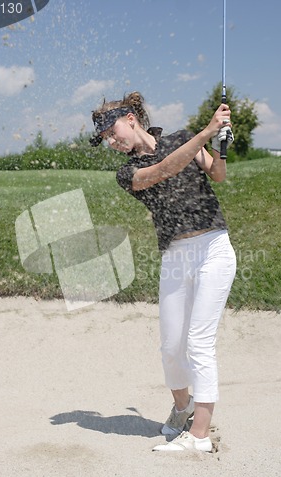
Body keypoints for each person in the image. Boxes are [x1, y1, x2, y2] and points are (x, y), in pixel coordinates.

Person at [90, 92, 236, 452]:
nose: (111, 142)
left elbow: (217, 174)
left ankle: (199, 436)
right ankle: (182, 408)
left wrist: (221, 145)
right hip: (175, 255)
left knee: (199, 342)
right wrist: (206, 132)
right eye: (106, 139)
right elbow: (165, 169)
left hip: (213, 249)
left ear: (131, 119)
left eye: (111, 132)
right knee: (171, 348)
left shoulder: (182, 137)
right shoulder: (126, 173)